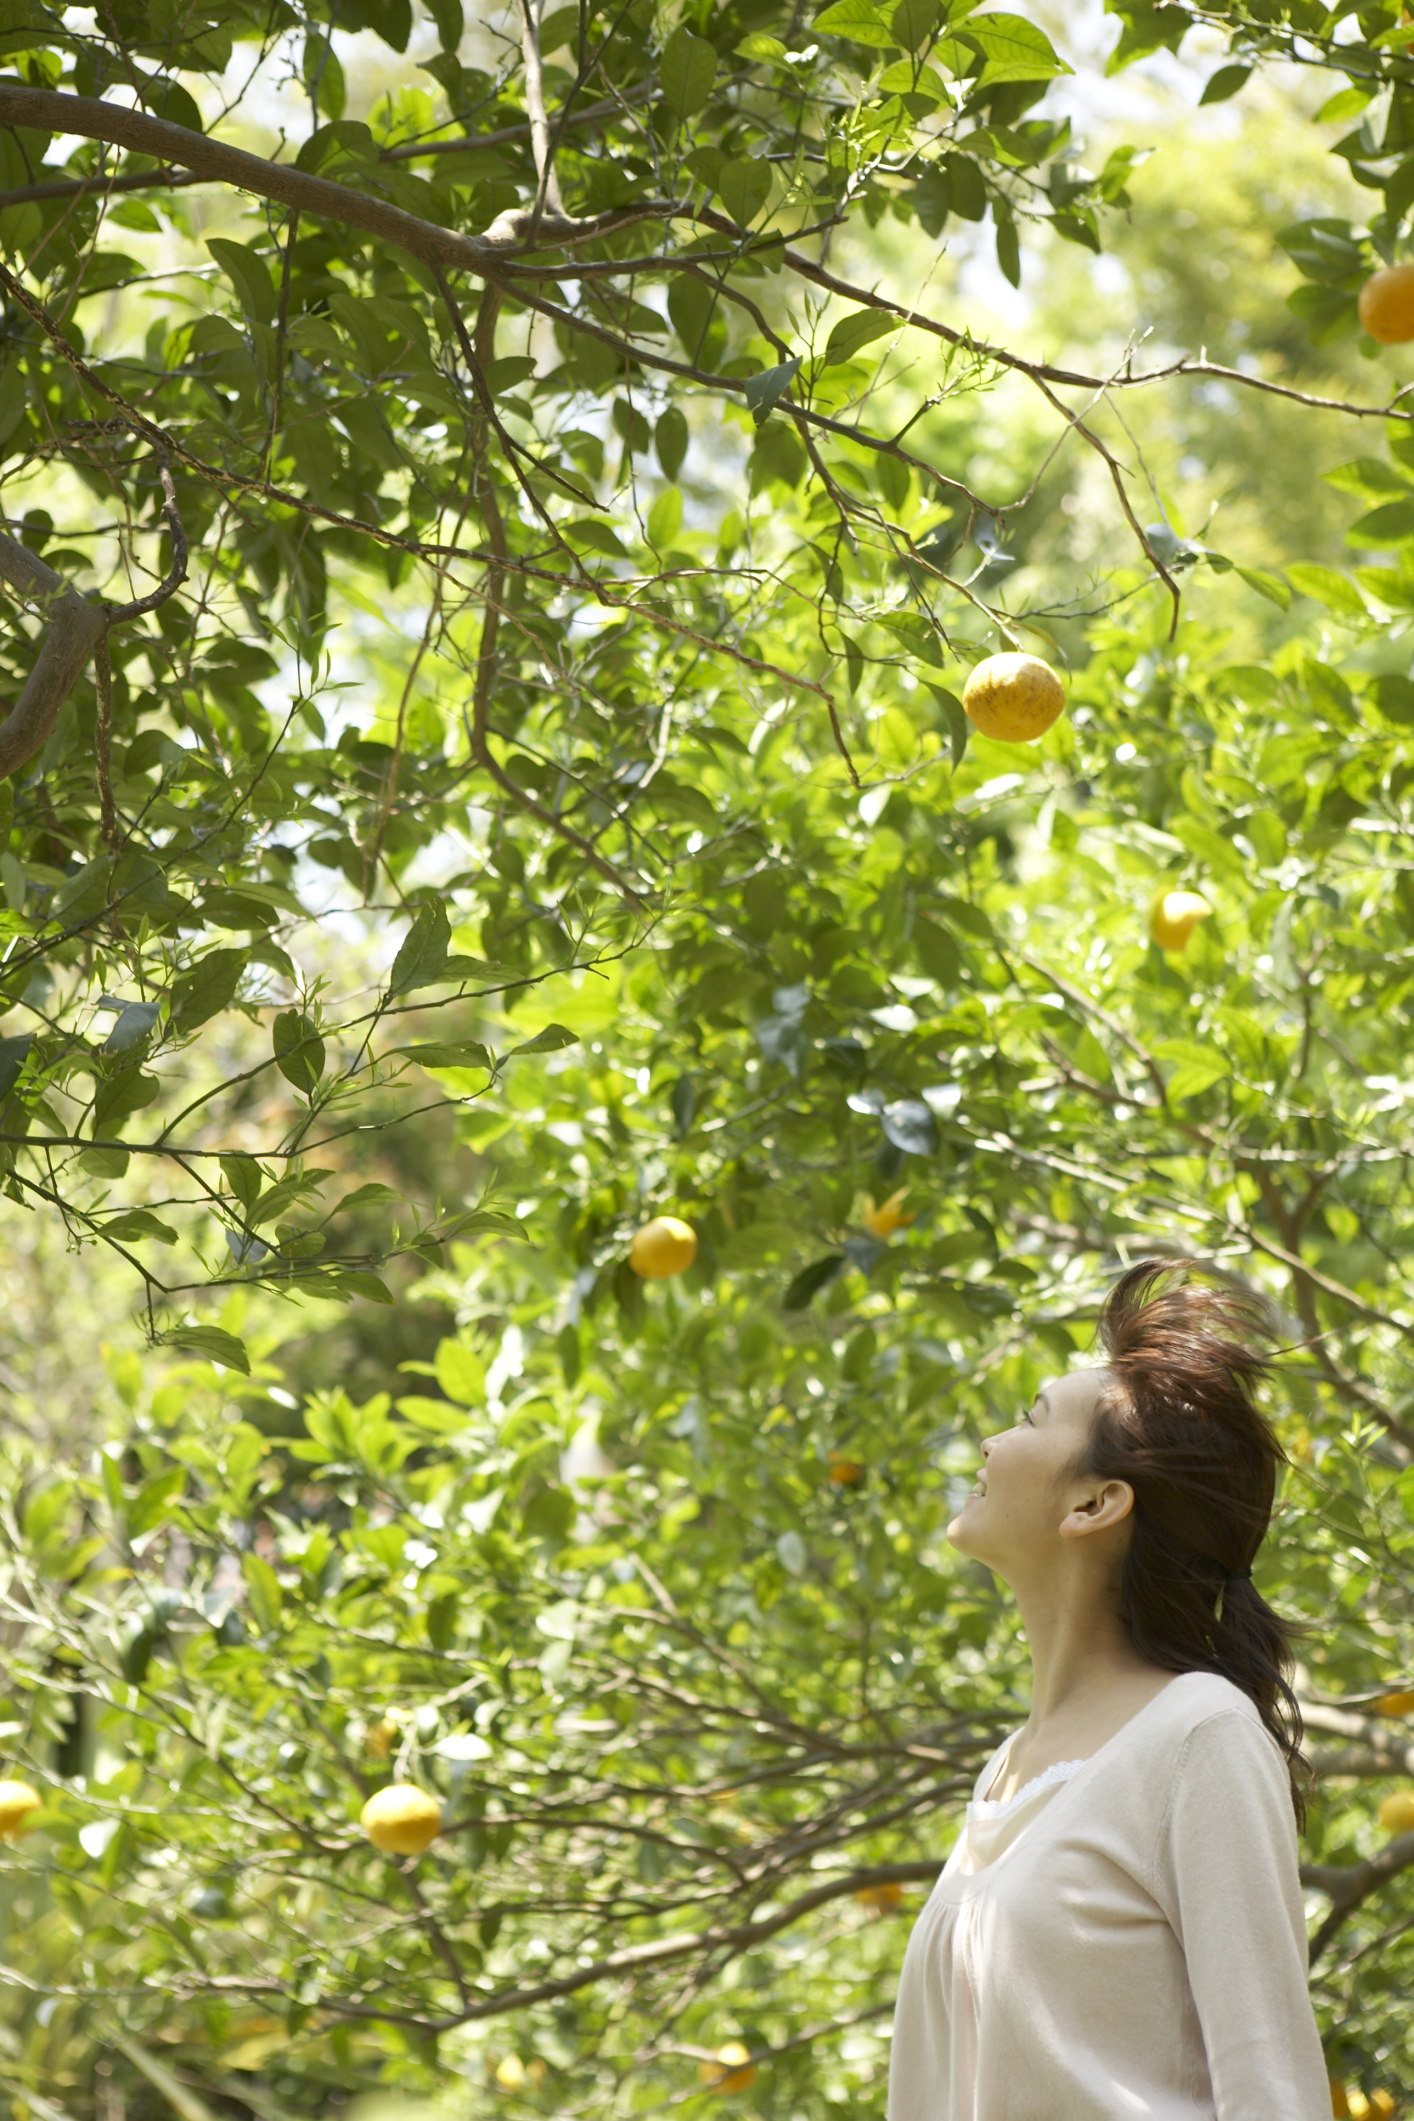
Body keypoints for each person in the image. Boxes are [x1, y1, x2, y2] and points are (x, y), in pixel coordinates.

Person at [887, 1261, 1328, 2121]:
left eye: (1029, 1418)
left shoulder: (1199, 1735)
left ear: (1094, 1502)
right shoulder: (1008, 1769)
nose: (990, 1443)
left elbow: (1272, 2089)